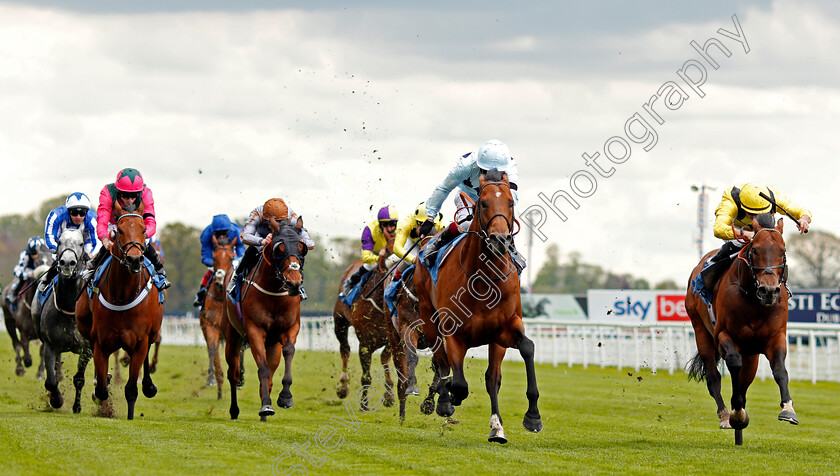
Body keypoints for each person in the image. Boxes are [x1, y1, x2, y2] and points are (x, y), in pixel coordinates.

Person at [694, 182, 811, 304]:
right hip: (738, 231)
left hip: (765, 230)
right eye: (751, 214)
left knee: (775, 252)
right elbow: (718, 229)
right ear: (743, 207)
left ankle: (784, 288)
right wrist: (745, 233)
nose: (755, 218)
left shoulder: (773, 197)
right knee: (733, 248)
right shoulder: (731, 200)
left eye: (760, 214)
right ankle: (708, 282)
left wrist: (804, 219)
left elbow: (802, 210)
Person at [417, 139, 525, 270]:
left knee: (502, 220)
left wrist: (494, 208)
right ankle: (438, 243)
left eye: (496, 172)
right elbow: (444, 188)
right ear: (479, 165)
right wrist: (430, 218)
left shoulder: (510, 166)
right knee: (467, 224)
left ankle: (511, 248)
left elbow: (512, 196)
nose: (491, 175)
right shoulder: (465, 165)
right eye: (486, 171)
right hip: (468, 195)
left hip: (496, 200)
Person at [82, 168, 170, 288]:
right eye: (125, 195)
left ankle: (160, 272)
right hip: (115, 224)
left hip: (137, 225)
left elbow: (151, 221)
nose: (130, 200)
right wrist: (104, 239)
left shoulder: (146, 193)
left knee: (145, 241)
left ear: (139, 193)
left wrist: (143, 235)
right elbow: (102, 221)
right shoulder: (107, 192)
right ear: (118, 191)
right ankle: (91, 270)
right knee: (112, 239)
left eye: (134, 196)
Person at [231, 198, 315, 299]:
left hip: (283, 240)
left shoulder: (291, 215)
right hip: (262, 237)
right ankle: (235, 277)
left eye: (280, 221)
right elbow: (244, 236)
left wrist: (299, 241)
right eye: (274, 221)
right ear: (265, 218)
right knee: (252, 251)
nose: (277, 224)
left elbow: (310, 243)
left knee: (293, 252)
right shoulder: (257, 213)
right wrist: (261, 241)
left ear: (286, 217)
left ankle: (298, 284)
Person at [38, 192, 99, 293]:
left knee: (92, 262)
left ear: (87, 212)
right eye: (74, 213)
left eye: (82, 213)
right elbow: (49, 237)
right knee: (60, 258)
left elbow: (98, 241)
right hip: (63, 241)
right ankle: (46, 280)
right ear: (68, 211)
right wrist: (58, 250)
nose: (78, 217)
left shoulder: (93, 218)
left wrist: (90, 254)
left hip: (84, 241)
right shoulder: (56, 215)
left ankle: (93, 284)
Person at [339, 205, 398, 297]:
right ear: (380, 225)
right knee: (371, 265)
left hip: (391, 253)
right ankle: (351, 282)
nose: (390, 229)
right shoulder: (370, 230)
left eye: (392, 225)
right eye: (386, 225)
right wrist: (379, 257)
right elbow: (366, 257)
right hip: (374, 252)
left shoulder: (400, 229)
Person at [193, 214, 245, 309]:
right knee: (210, 272)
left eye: (224, 232)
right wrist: (216, 263)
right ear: (213, 232)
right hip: (216, 257)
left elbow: (242, 253)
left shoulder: (237, 232)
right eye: (218, 233)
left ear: (229, 230)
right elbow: (205, 256)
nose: (221, 236)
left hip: (232, 257)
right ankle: (200, 295)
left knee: (241, 273)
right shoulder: (206, 235)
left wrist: (235, 262)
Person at [385, 202, 443, 275]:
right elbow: (396, 248)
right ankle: (394, 281)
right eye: (421, 223)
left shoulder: (440, 224)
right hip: (412, 243)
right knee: (411, 259)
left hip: (430, 244)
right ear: (416, 220)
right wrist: (413, 259)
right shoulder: (405, 223)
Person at [5, 236, 47, 308]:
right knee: (21, 280)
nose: (37, 256)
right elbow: (17, 270)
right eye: (34, 253)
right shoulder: (25, 254)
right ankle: (13, 295)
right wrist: (28, 275)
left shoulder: (48, 254)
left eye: (40, 252)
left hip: (42, 272)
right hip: (29, 272)